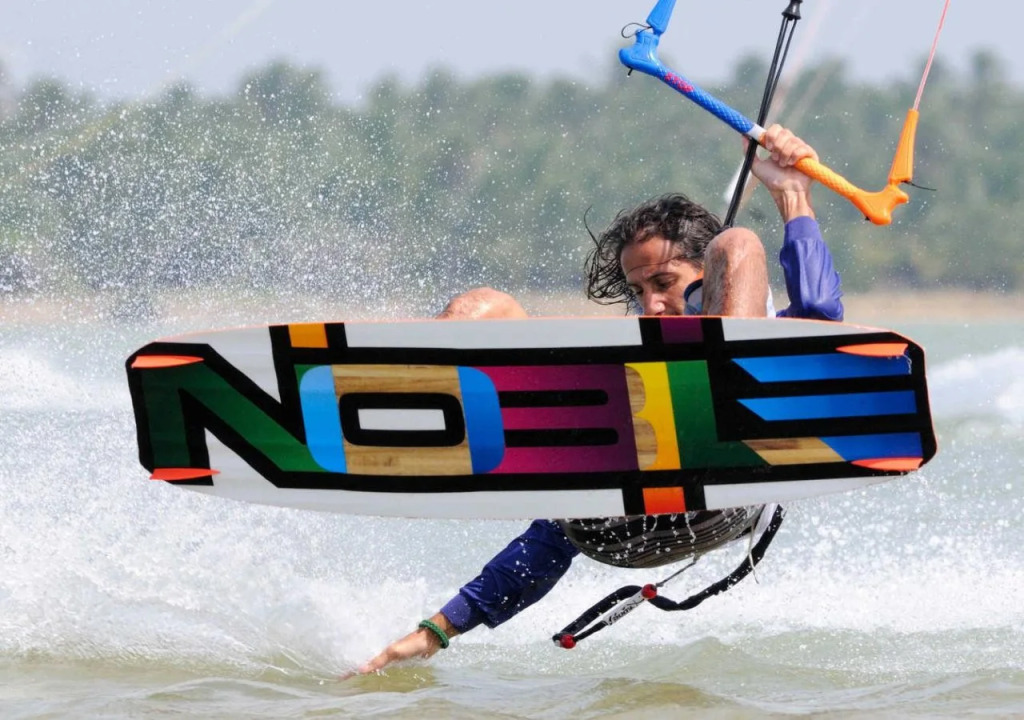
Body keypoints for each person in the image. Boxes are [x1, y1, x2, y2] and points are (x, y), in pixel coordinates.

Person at [357, 124, 844, 674]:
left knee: (739, 242)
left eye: (665, 283)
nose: (652, 305)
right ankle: (404, 410)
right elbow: (551, 538)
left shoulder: (762, 318)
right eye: (639, 291)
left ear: (708, 277)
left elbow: (822, 317)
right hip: (611, 531)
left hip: (725, 501)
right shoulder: (622, 388)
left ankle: (721, 392)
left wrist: (792, 195)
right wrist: (439, 629)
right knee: (484, 307)